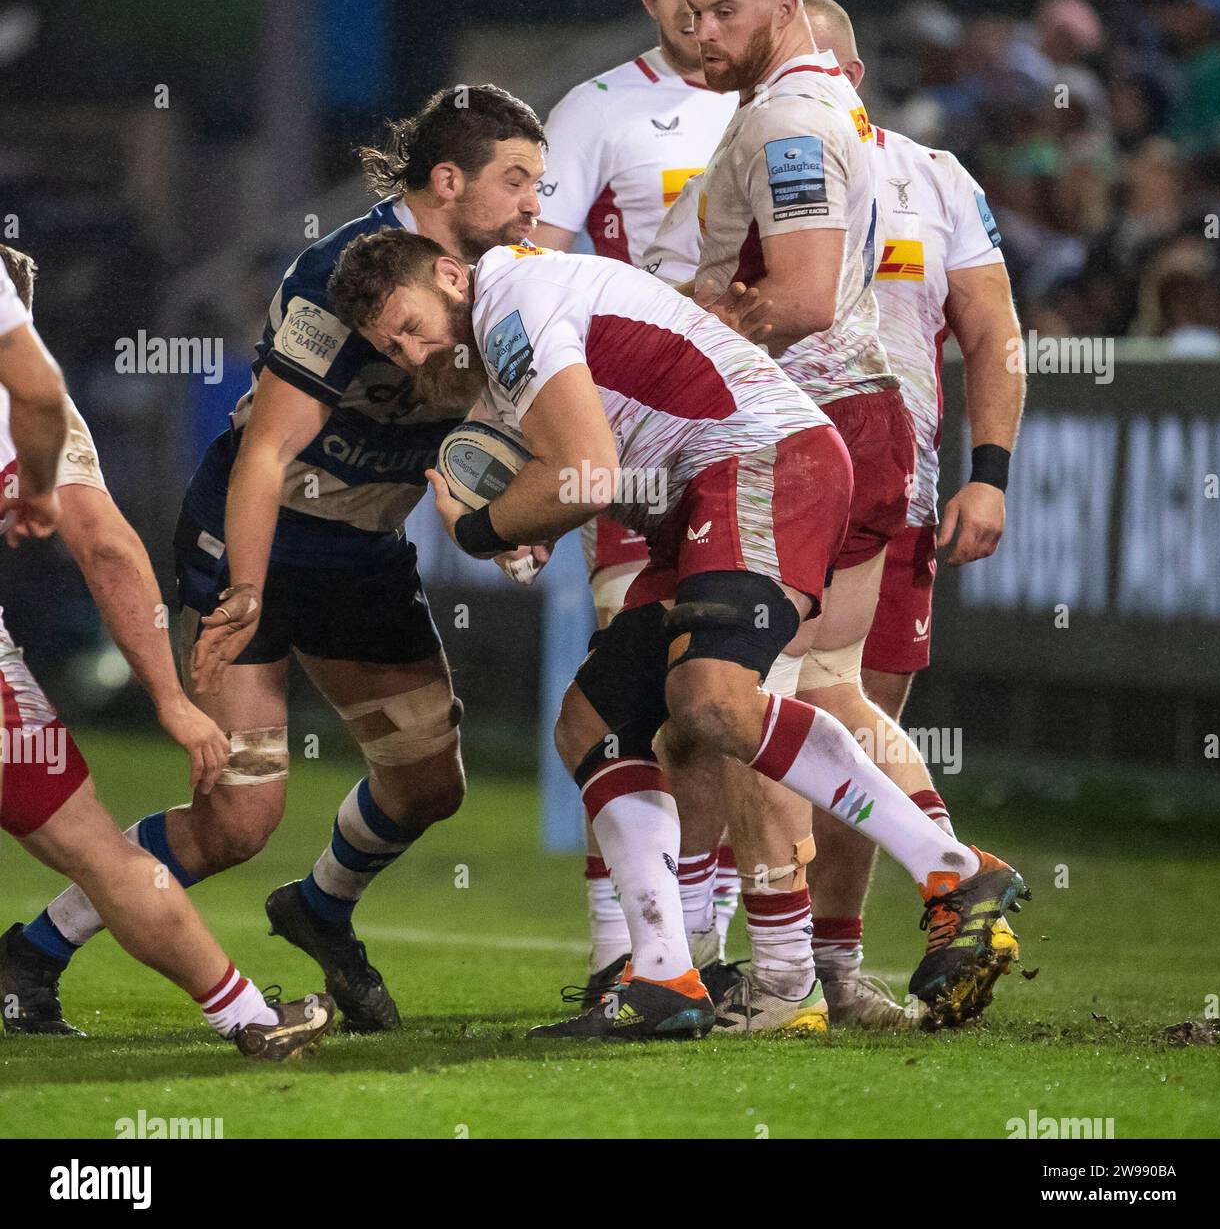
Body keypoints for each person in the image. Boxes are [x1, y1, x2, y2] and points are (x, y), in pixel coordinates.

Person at [326, 227, 1030, 1043]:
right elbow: (586, 465)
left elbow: (582, 464)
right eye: (395, 348)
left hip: (757, 464)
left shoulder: (505, 300)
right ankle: (663, 975)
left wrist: (479, 530)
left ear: (450, 275)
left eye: (409, 326)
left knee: (716, 705)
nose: (414, 354)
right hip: (705, 494)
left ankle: (956, 871)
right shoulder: (516, 306)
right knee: (591, 725)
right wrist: (536, 510)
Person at [14, 86, 547, 1036]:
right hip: (256, 534)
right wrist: (246, 592)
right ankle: (31, 954)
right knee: (240, 819)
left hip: (364, 551)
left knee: (430, 784)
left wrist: (515, 518)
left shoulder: (506, 278)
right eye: (516, 182)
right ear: (448, 178)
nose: (533, 204)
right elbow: (265, 455)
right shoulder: (347, 272)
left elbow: (503, 420)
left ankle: (322, 907)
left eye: (537, 185)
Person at [642, 0, 1025, 1029]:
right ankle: (841, 957)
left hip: (803, 458)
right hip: (875, 458)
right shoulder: (888, 164)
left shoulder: (869, 162)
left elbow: (991, 331)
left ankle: (811, 959)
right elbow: (989, 333)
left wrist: (985, 469)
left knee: (776, 709)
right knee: (823, 715)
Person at [0, 246, 332, 1060]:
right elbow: (106, 548)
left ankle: (32, 963)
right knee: (100, 850)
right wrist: (172, 702)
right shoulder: (22, 393)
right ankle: (250, 1017)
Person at [531, 0, 740, 993]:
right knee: (639, 694)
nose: (683, 9)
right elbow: (530, 283)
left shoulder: (787, 104)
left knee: (742, 698)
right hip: (639, 448)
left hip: (760, 438)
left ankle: (711, 949)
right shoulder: (597, 110)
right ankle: (623, 952)